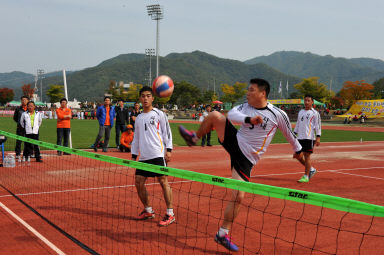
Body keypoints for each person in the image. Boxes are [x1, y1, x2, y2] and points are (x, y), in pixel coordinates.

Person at [178, 78, 302, 251]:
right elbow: (233, 115)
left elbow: (289, 133)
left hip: (247, 158)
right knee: (215, 116)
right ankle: (194, 138)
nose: (247, 92)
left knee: (239, 196)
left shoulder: (277, 114)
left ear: (262, 93)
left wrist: (298, 149)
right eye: (248, 89)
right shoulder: (246, 107)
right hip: (236, 141)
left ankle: (222, 234)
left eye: (251, 90)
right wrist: (249, 119)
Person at [131, 86, 175, 227]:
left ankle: (170, 213)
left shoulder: (158, 114)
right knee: (138, 181)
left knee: (163, 181)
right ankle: (149, 210)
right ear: (139, 98)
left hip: (157, 154)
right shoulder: (138, 118)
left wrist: (168, 150)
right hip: (143, 156)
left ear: (152, 98)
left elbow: (167, 132)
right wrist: (133, 155)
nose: (145, 98)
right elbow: (136, 138)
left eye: (148, 96)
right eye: (143, 96)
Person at [294, 95, 321, 183]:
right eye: (305, 100)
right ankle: (311, 169)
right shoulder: (301, 111)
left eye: (308, 100)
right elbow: (298, 123)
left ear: (312, 102)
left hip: (309, 138)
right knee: (297, 156)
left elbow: (317, 126)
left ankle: (306, 176)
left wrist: (318, 137)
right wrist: (294, 134)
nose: (306, 102)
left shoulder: (315, 113)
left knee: (307, 156)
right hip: (300, 137)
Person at [13, 95, 29, 161]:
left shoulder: (30, 108)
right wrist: (20, 123)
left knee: (28, 141)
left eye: (25, 100)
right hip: (20, 128)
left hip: (28, 128)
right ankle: (17, 153)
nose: (24, 101)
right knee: (18, 141)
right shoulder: (18, 109)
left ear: (28, 100)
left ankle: (27, 153)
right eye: (22, 100)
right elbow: (15, 118)